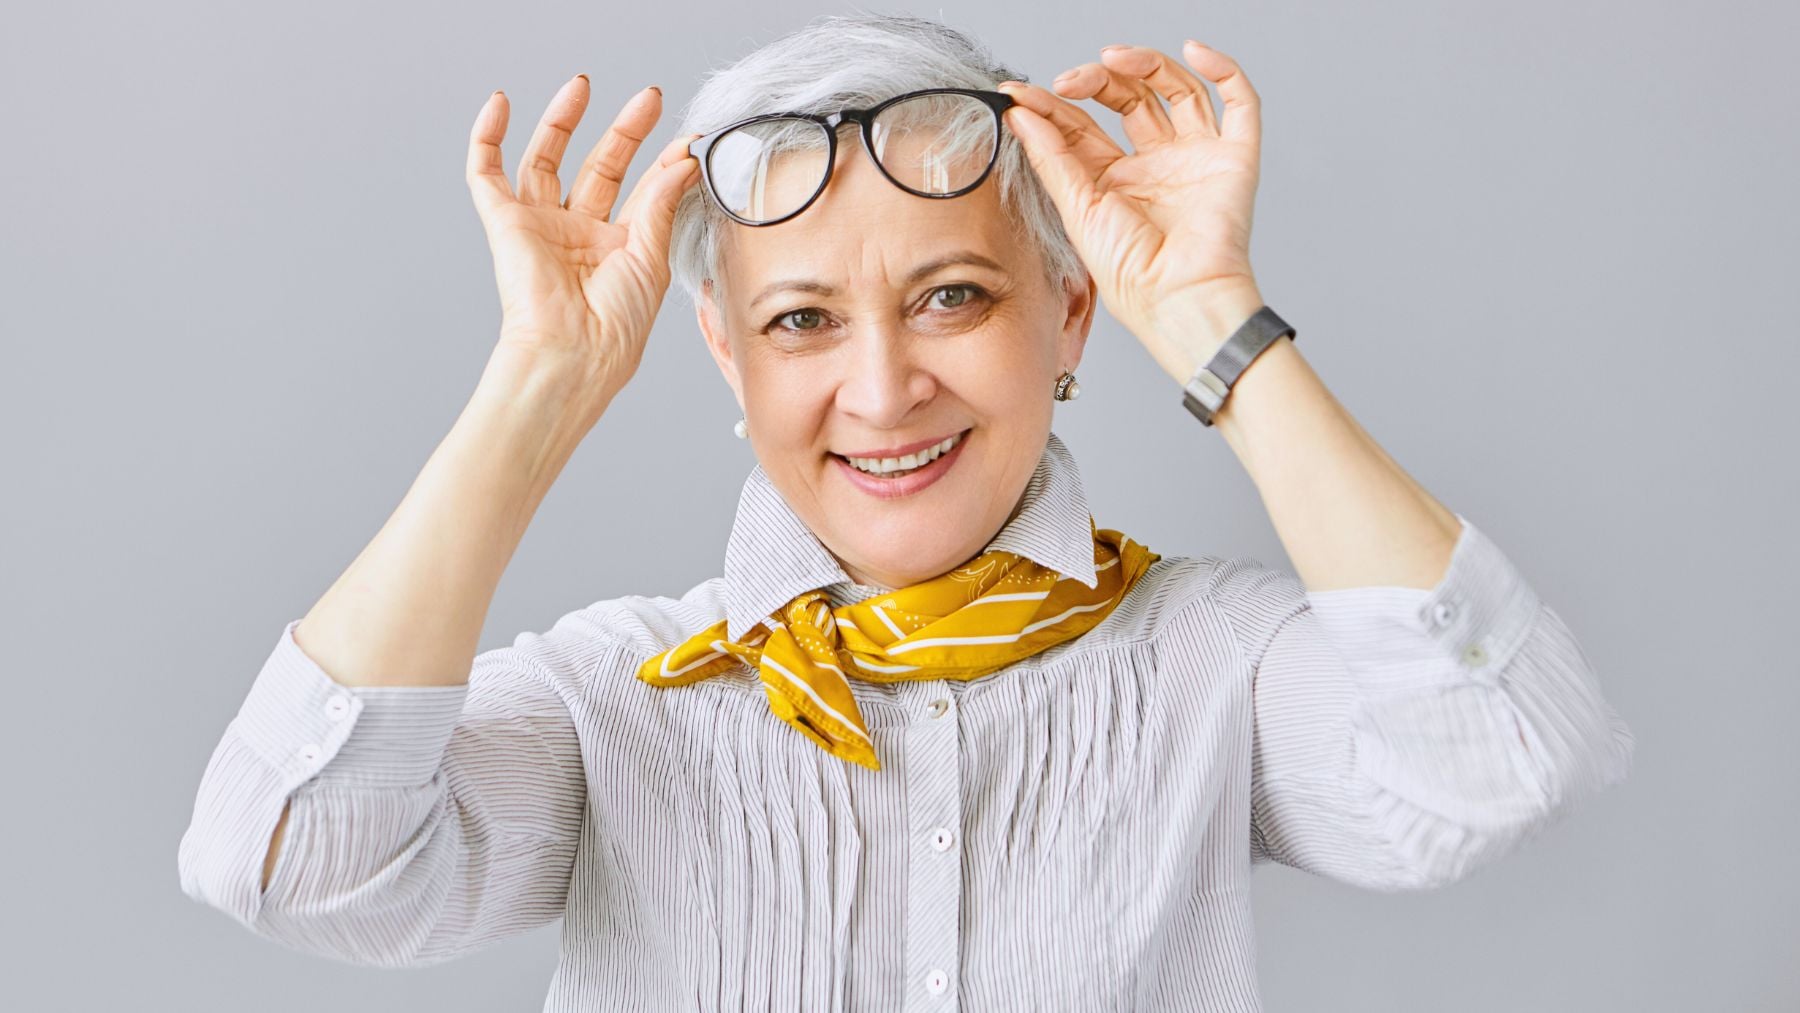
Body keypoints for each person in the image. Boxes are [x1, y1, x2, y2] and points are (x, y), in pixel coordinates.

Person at [176, 12, 1635, 1010]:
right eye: (803, 318)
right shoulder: (618, 700)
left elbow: (1506, 756)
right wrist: (536, 394)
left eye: (954, 295)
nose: (883, 390)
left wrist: (1212, 325)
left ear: (1070, 316)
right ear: (726, 357)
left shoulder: (1210, 664)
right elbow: (291, 859)